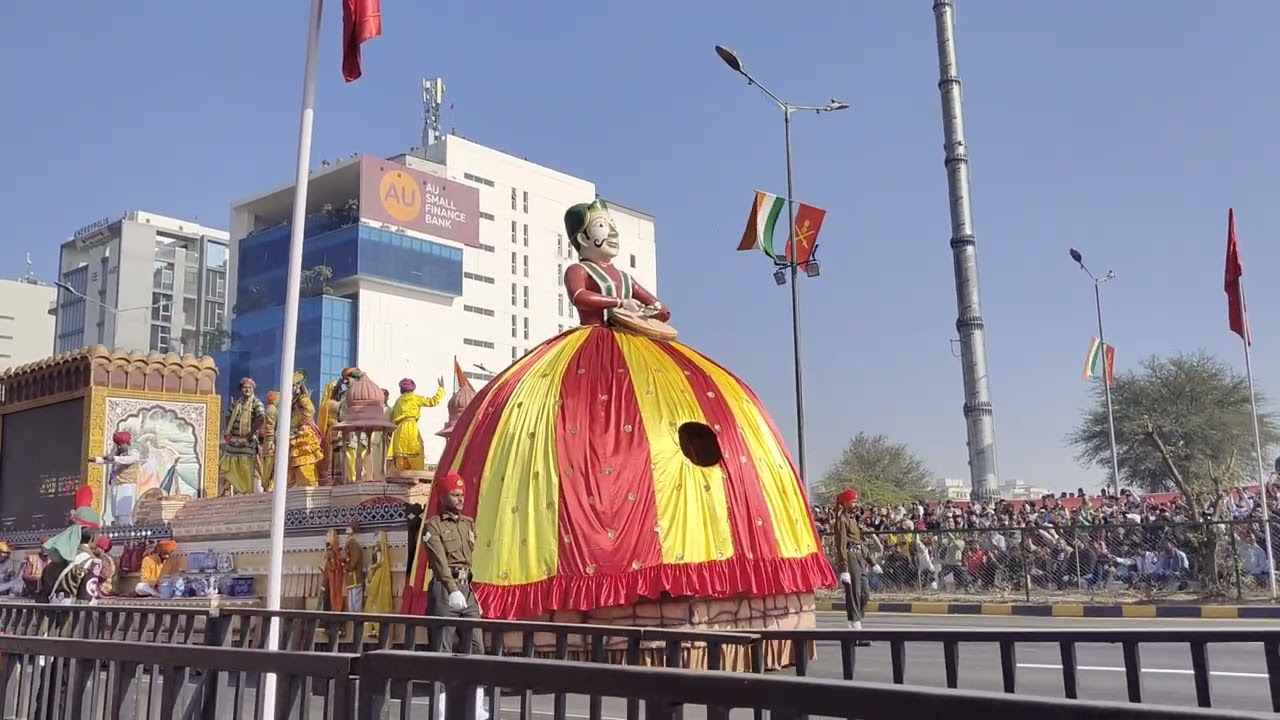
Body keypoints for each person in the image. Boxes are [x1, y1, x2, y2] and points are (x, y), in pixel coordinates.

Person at [420, 472, 487, 720]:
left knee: (477, 646)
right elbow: (439, 562)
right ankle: (441, 711)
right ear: (442, 496)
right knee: (443, 650)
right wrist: (452, 589)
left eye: (462, 495)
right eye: (454, 495)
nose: (460, 499)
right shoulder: (433, 526)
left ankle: (476, 707)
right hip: (445, 589)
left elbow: (468, 562)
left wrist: (467, 590)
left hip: (466, 589)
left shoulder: (468, 523)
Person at [834, 488, 871, 645]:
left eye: (857, 501)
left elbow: (860, 542)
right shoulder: (841, 521)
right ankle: (856, 629)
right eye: (853, 501)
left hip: (860, 557)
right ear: (845, 503)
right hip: (850, 557)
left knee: (864, 593)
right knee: (854, 593)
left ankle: (855, 623)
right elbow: (841, 545)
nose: (856, 504)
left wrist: (871, 562)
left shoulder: (853, 519)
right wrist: (844, 568)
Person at [387, 377, 446, 472]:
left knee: (400, 454)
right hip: (411, 428)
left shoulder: (398, 401)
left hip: (399, 430)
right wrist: (441, 389)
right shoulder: (415, 398)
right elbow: (433, 401)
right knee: (416, 451)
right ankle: (417, 474)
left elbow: (392, 418)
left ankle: (400, 475)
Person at [221, 377, 266, 495]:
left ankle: (246, 491)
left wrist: (249, 435)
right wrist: (228, 432)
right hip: (234, 441)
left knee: (245, 466)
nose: (247, 390)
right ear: (241, 389)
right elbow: (227, 415)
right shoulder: (237, 403)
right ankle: (236, 491)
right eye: (245, 388)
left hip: (248, 441)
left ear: (253, 389)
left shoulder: (256, 402)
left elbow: (261, 417)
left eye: (249, 388)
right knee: (231, 464)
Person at [90, 431, 141, 526]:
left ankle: (126, 536)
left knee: (125, 514)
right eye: (117, 445)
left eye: (120, 445)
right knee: (116, 514)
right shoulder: (119, 455)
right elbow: (107, 460)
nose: (119, 447)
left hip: (127, 487)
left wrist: (114, 458)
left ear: (127, 443)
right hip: (116, 486)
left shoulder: (134, 453)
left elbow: (129, 460)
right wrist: (96, 459)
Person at [287, 369, 325, 488]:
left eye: (294, 385)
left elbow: (311, 410)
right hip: (294, 435)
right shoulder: (293, 401)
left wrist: (302, 423)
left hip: (303, 436)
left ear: (298, 386)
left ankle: (309, 485)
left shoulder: (301, 399)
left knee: (305, 463)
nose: (292, 388)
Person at [259, 390, 281, 491]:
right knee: (271, 465)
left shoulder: (269, 408)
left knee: (268, 465)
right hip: (272, 442)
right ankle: (269, 486)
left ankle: (267, 485)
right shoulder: (273, 410)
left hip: (268, 442)